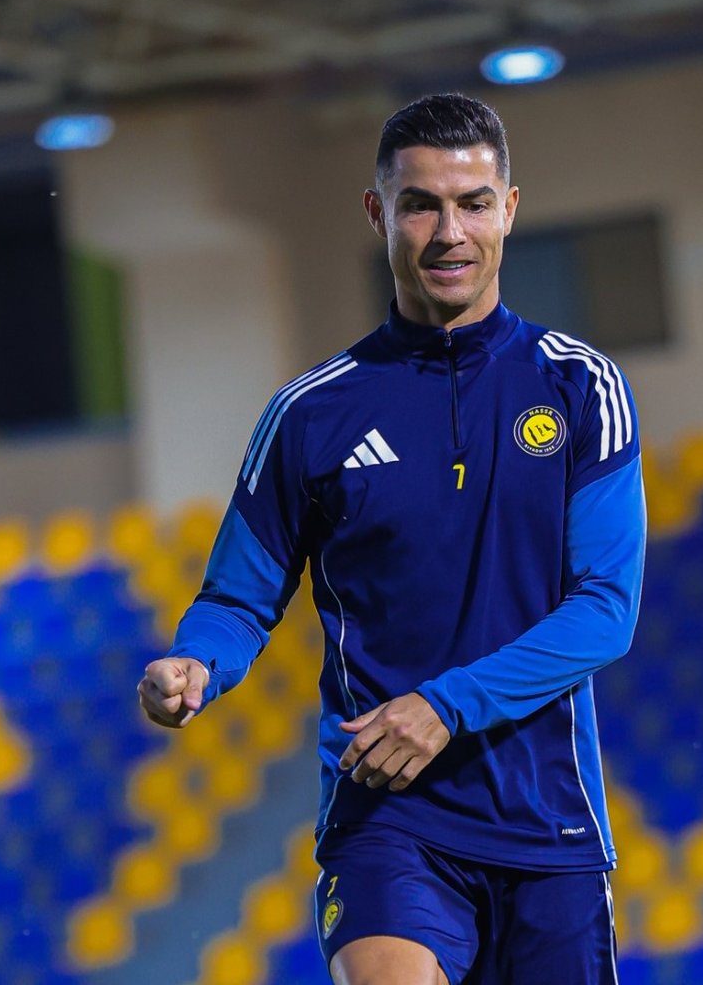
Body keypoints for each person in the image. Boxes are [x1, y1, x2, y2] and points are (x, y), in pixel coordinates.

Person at [138, 92, 645, 985]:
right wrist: (195, 662)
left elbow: (605, 611)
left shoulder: (581, 389)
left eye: (473, 203)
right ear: (380, 213)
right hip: (388, 818)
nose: (450, 232)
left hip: (548, 821)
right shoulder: (310, 415)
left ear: (510, 210)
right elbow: (237, 599)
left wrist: (446, 706)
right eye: (421, 204)